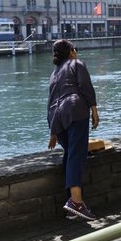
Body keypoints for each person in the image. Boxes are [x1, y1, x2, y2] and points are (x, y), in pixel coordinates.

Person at [47, 39, 100, 221]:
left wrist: (53, 132)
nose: (76, 52)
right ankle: (76, 202)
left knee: (70, 155)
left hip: (57, 118)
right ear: (70, 52)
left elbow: (51, 102)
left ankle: (72, 205)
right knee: (77, 156)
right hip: (75, 110)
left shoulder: (54, 73)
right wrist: (94, 110)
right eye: (74, 50)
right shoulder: (76, 63)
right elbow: (86, 87)